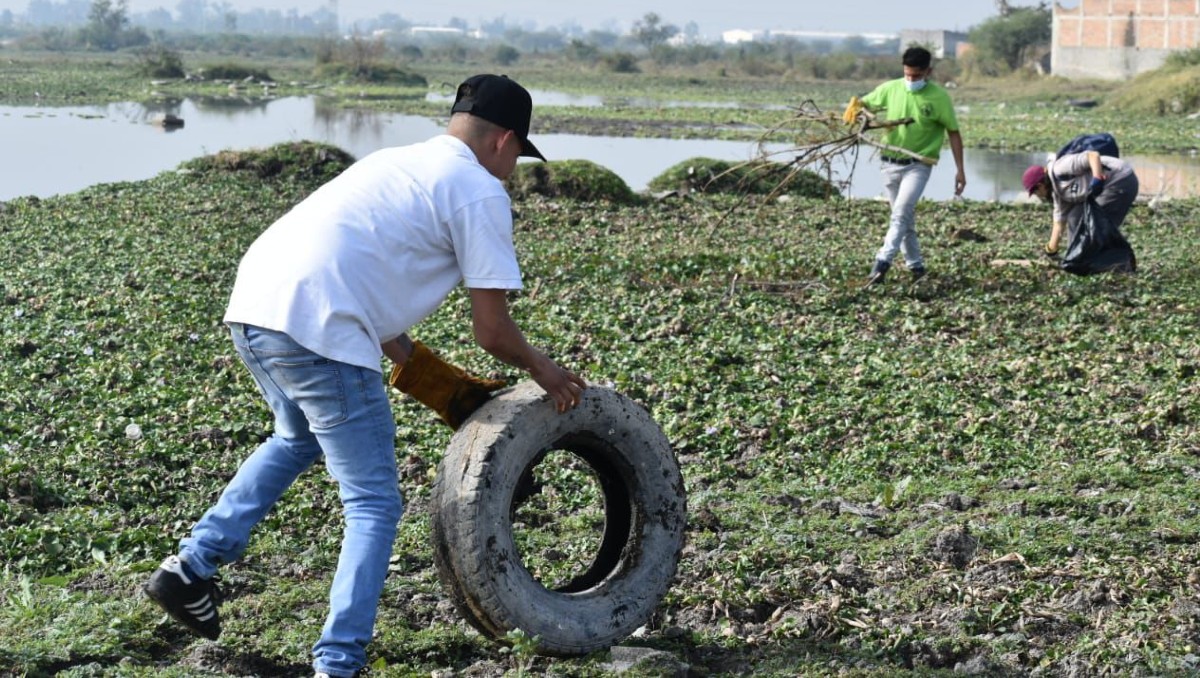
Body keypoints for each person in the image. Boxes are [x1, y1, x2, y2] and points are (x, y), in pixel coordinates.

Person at [143, 73, 588, 678]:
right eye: (517, 156)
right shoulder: (479, 191)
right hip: (322, 329)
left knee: (295, 439)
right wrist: (545, 370)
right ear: (505, 142)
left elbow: (351, 267)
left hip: (254, 309)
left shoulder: (396, 162)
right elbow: (493, 332)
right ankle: (338, 662)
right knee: (375, 504)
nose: (511, 168)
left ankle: (189, 568)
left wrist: (417, 365)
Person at [845, 46, 966, 286]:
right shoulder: (890, 89)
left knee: (900, 215)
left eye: (916, 76)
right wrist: (856, 109)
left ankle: (881, 264)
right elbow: (864, 104)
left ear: (928, 72)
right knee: (904, 219)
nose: (911, 80)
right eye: (907, 74)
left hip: (918, 165)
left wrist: (960, 169)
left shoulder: (939, 97)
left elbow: (953, 133)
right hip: (889, 163)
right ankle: (917, 267)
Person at [1022, 149, 1139, 256]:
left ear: (1040, 185)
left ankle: (1118, 263)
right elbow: (1059, 224)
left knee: (1099, 223)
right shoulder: (1059, 195)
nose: (1038, 196)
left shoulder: (1060, 168)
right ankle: (1074, 256)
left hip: (1121, 178)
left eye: (1036, 193)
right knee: (1074, 216)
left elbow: (1093, 156)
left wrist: (1097, 178)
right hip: (1107, 188)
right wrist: (1050, 250)